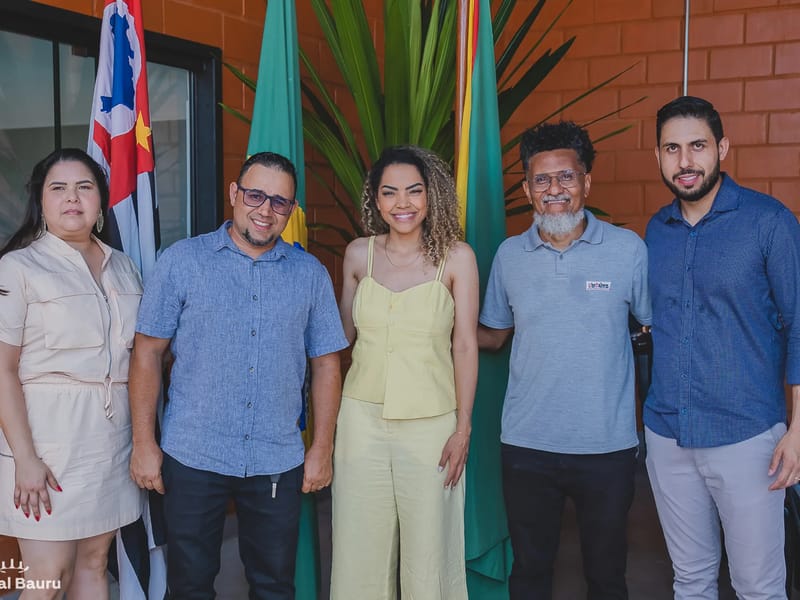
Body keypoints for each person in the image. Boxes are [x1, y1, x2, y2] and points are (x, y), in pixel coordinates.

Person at [128, 151, 348, 599]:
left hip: (275, 458)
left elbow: (326, 362)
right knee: (189, 585)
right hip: (192, 454)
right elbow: (147, 354)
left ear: (291, 209)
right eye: (255, 195)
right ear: (234, 193)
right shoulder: (183, 261)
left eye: (280, 201)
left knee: (273, 586)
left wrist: (322, 447)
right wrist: (144, 443)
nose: (265, 210)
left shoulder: (310, 274)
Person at [478, 121, 651, 599]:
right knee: (530, 573)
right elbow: (492, 335)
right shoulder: (509, 257)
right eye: (541, 180)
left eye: (566, 178)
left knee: (606, 574)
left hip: (607, 447)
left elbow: (653, 327)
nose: (554, 190)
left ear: (586, 183)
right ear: (528, 188)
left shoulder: (628, 251)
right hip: (527, 445)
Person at [645, 95, 800, 599]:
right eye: (672, 148)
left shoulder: (769, 222)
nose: (685, 161)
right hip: (668, 434)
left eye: (697, 146)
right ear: (659, 157)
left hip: (747, 437)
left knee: (758, 586)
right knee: (690, 580)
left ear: (722, 148)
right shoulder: (656, 231)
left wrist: (798, 431)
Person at [330, 145, 479, 599]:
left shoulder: (457, 258)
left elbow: (466, 344)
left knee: (430, 551)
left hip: (432, 425)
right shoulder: (359, 256)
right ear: (375, 200)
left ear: (430, 197)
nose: (403, 203)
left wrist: (463, 428)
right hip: (360, 421)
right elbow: (340, 342)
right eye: (390, 193)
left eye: (414, 191)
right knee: (359, 548)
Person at [0, 148, 143, 598]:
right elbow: (2, 369)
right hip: (46, 446)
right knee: (48, 575)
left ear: (101, 200)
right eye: (57, 188)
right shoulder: (19, 267)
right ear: (41, 201)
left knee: (95, 563)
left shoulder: (125, 266)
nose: (72, 198)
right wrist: (25, 458)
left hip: (110, 443)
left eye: (84, 187)